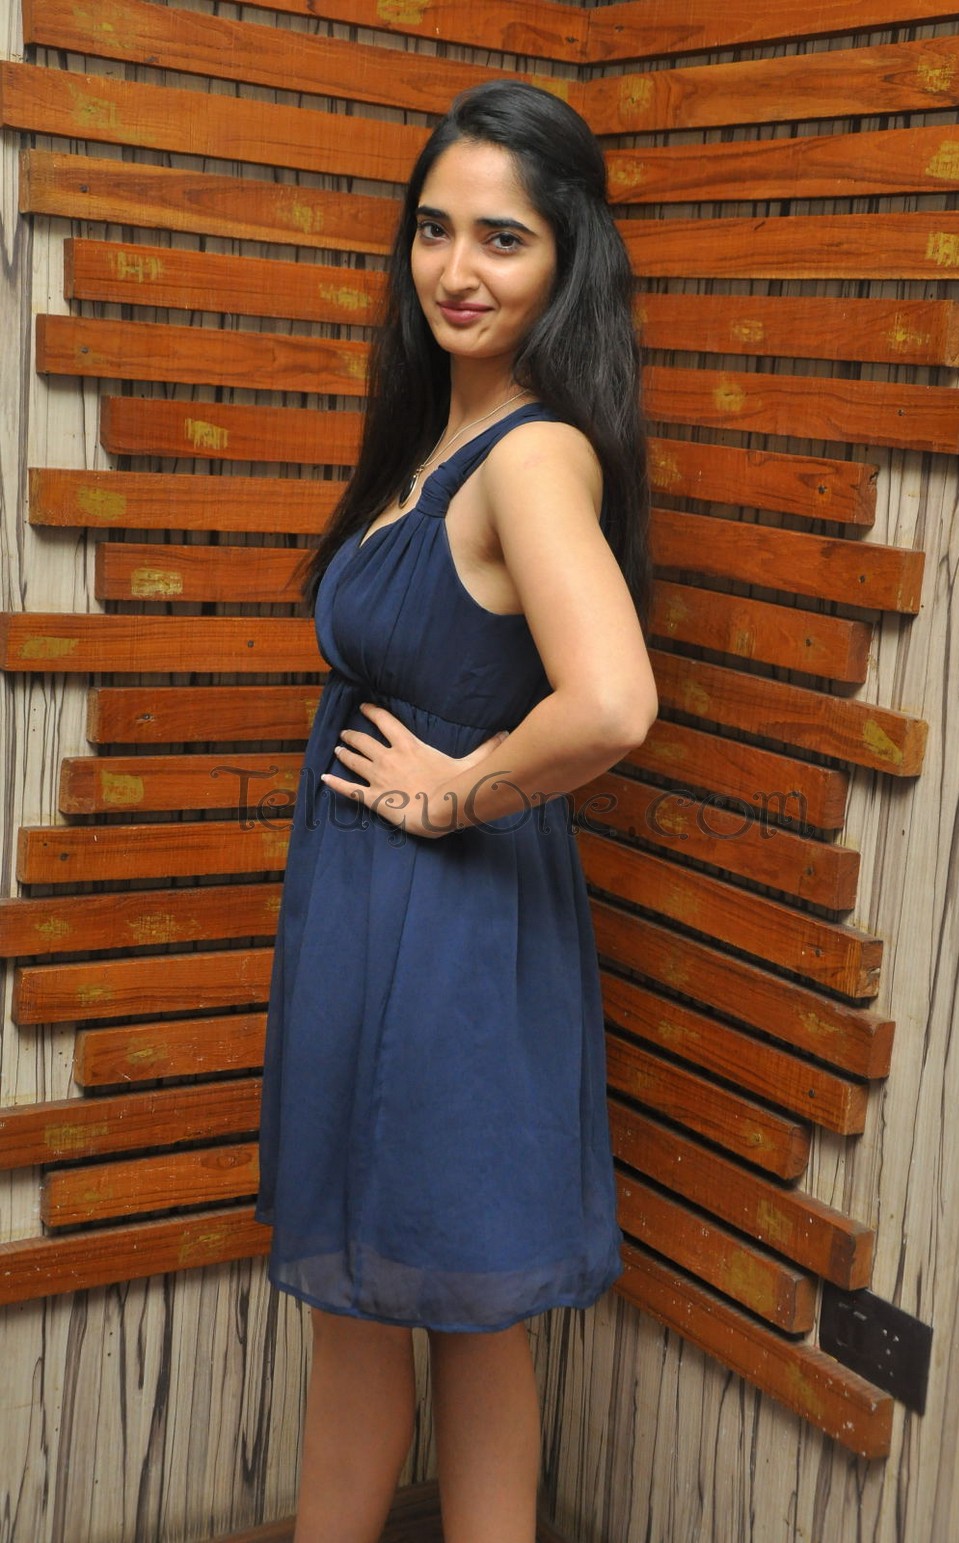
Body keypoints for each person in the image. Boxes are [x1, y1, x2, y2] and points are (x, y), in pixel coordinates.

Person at [255, 79, 658, 1543]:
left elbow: (611, 703)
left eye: (502, 237)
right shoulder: (436, 433)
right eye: (435, 229)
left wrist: (452, 795)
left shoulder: (534, 455)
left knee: (468, 1314)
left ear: (567, 258)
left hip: (455, 935)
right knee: (367, 1304)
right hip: (370, 916)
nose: (456, 269)